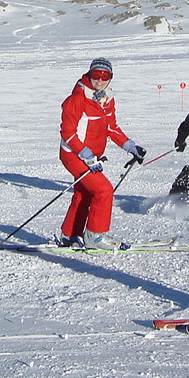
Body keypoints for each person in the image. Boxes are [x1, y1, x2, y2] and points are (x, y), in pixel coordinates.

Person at [57, 57, 146, 250]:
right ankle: (95, 237)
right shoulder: (77, 99)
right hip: (73, 154)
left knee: (84, 194)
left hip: (90, 157)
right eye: (96, 74)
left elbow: (111, 127)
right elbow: (68, 133)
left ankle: (69, 235)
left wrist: (131, 146)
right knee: (103, 190)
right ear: (89, 74)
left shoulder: (106, 99)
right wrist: (86, 155)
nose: (100, 80)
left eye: (105, 76)